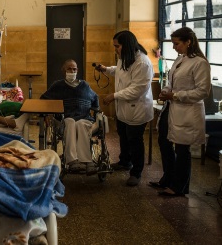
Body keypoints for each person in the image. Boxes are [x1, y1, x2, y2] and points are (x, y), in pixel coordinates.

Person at [151, 27, 210, 197]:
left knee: (182, 150)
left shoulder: (200, 63)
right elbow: (172, 81)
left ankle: (179, 187)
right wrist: (166, 90)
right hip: (172, 107)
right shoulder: (180, 60)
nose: (174, 47)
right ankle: (167, 179)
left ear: (188, 42)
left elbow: (203, 91)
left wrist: (175, 95)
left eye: (177, 44)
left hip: (187, 111)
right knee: (164, 141)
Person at [96, 30, 154, 186]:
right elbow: (120, 71)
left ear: (126, 45)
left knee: (135, 140)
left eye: (117, 46)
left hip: (137, 109)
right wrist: (107, 69)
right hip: (123, 108)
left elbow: (137, 89)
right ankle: (124, 162)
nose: (115, 49)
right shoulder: (125, 57)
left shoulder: (142, 62)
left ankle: (136, 172)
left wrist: (114, 96)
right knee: (123, 135)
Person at [40, 59, 100, 174]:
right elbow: (44, 99)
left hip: (84, 119)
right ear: (64, 71)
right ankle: (72, 160)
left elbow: (95, 98)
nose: (72, 71)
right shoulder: (58, 86)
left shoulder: (84, 85)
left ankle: (86, 161)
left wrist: (97, 113)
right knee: (71, 122)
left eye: (74, 69)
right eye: (69, 69)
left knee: (81, 123)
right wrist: (47, 114)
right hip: (64, 120)